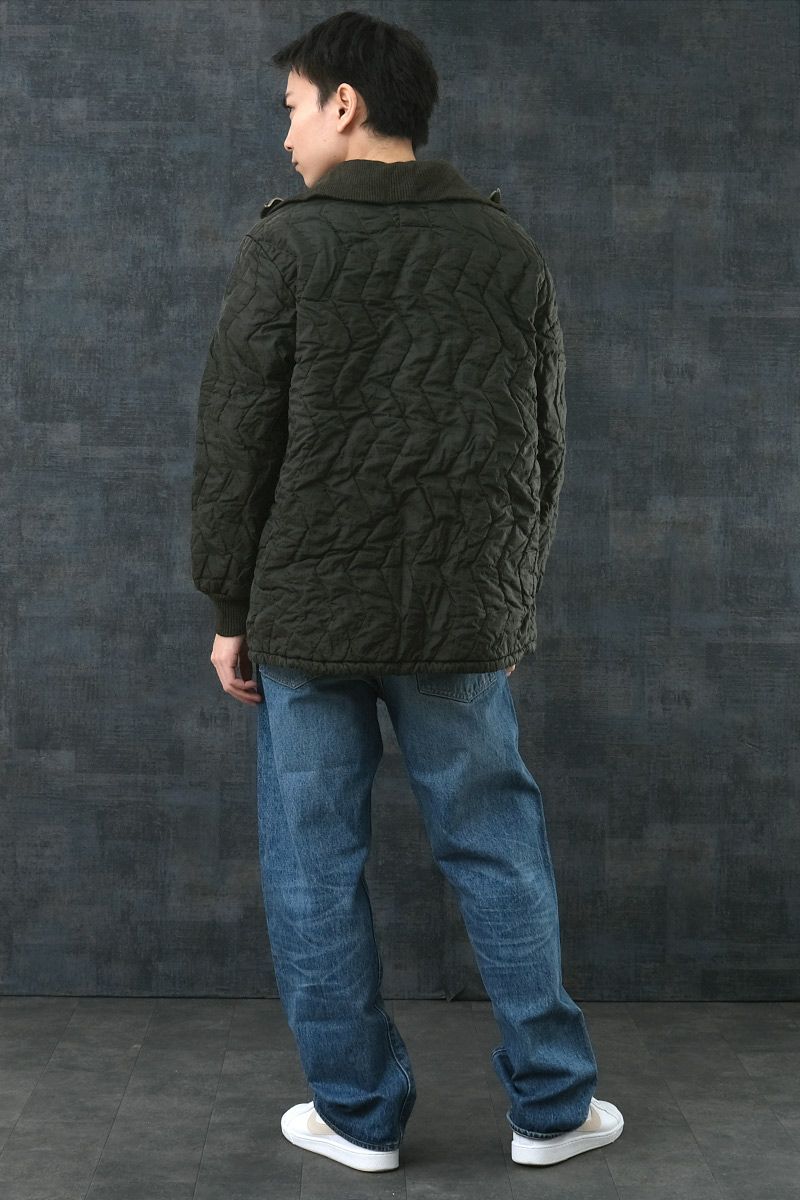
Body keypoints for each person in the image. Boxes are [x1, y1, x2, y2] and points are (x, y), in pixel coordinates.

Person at [190, 8, 623, 1176]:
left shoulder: (286, 246)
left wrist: (229, 608)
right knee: (495, 846)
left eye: (292, 109)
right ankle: (552, 1108)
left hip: (305, 614)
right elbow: (539, 447)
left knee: (314, 861)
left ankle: (355, 1116)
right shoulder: (505, 249)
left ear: (345, 102)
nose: (285, 136)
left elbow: (236, 441)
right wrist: (506, 599)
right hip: (457, 615)